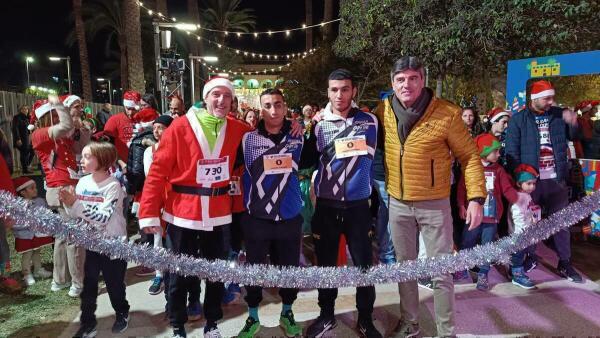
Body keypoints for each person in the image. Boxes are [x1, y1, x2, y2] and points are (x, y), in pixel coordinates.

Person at [375, 56, 485, 337]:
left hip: (434, 204)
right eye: (400, 79)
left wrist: (476, 198)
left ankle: (446, 331)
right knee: (404, 269)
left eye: (413, 78)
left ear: (422, 80)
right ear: (392, 82)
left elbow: (470, 156)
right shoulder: (384, 110)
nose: (406, 84)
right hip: (397, 202)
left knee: (440, 272)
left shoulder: (447, 113)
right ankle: (410, 322)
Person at [138, 77, 253, 338]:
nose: (222, 101)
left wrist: (292, 128)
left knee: (215, 272)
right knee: (178, 275)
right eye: (216, 95)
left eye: (226, 96)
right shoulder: (179, 127)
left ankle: (212, 323)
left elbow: (267, 135)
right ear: (205, 98)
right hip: (182, 213)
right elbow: (157, 172)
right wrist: (147, 213)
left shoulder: (237, 128)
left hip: (218, 212)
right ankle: (178, 325)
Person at [305, 69, 382, 338]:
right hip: (326, 207)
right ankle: (326, 315)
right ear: (328, 92)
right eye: (334, 90)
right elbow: (305, 161)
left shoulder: (371, 121)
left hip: (359, 207)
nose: (340, 95)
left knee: (364, 267)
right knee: (326, 267)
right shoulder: (318, 125)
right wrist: (300, 129)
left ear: (354, 91)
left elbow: (383, 155)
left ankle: (365, 319)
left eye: (345, 89)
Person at [236, 88, 308, 338]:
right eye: (267, 105)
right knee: (254, 270)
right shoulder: (248, 139)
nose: (274, 110)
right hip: (257, 218)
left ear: (286, 106)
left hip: (289, 217)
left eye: (278, 104)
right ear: (260, 109)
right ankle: (252, 316)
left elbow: (318, 158)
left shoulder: (299, 137)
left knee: (289, 271)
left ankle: (287, 312)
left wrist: (303, 124)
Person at [505, 80, 583, 283]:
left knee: (561, 224)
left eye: (552, 97)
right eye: (547, 98)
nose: (551, 101)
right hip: (530, 183)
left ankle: (565, 262)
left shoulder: (558, 115)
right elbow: (511, 152)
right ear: (534, 98)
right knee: (527, 225)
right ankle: (526, 258)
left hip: (557, 181)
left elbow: (576, 137)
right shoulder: (518, 120)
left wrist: (573, 122)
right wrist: (520, 179)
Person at [60, 142, 130, 337]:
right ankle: (88, 324)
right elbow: (76, 214)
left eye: (87, 156)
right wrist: (68, 204)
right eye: (82, 156)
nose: (81, 160)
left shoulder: (113, 185)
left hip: (113, 244)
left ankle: (122, 312)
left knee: (114, 284)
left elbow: (102, 218)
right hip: (91, 244)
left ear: (102, 160)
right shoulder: (83, 183)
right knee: (89, 285)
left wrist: (76, 204)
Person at [30, 96, 86, 298]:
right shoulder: (40, 134)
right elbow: (66, 125)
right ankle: (77, 283)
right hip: (62, 187)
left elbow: (76, 132)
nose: (57, 115)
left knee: (63, 237)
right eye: (53, 113)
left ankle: (60, 280)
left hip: (64, 186)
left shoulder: (53, 135)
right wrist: (59, 105)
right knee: (73, 238)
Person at [456, 133, 521, 291]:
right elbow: (461, 189)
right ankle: (461, 267)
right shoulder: (471, 168)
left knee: (488, 247)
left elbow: (506, 189)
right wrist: (461, 206)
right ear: (484, 152)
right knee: (467, 242)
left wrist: (520, 198)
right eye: (495, 151)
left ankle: (483, 273)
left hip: (491, 218)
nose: (499, 154)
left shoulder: (499, 170)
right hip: (473, 216)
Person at [142, 114, 174, 295]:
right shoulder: (149, 152)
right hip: (160, 199)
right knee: (158, 238)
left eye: (160, 127)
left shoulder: (179, 148)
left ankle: (180, 272)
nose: (156, 130)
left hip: (177, 199)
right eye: (154, 128)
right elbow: (152, 177)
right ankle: (159, 274)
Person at [11, 177, 53, 286]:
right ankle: (27, 274)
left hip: (37, 234)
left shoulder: (39, 201)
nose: (36, 190)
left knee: (37, 251)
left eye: (35, 187)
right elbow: (14, 223)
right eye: (32, 188)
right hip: (25, 236)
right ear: (23, 192)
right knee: (27, 254)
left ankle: (38, 270)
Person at [508, 164, 541, 289]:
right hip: (519, 233)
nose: (532, 186)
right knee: (518, 255)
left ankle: (518, 270)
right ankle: (517, 276)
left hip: (526, 231)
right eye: (528, 183)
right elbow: (517, 215)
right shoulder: (518, 197)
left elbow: (529, 210)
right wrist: (522, 231)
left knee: (525, 252)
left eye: (533, 183)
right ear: (518, 183)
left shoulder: (526, 195)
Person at [103, 90, 140, 163]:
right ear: (124, 106)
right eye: (128, 108)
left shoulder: (144, 120)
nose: (131, 112)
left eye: (134, 109)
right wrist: (121, 163)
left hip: (140, 163)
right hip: (122, 164)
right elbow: (107, 146)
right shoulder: (114, 120)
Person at [12, 105, 34, 173]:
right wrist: (18, 139)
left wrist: (33, 126)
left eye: (27, 109)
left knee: (32, 152)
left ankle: (26, 166)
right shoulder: (17, 117)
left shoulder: (27, 118)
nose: (26, 110)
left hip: (27, 139)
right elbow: (15, 129)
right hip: (21, 139)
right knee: (24, 153)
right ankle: (25, 170)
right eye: (24, 109)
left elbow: (28, 128)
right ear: (20, 110)